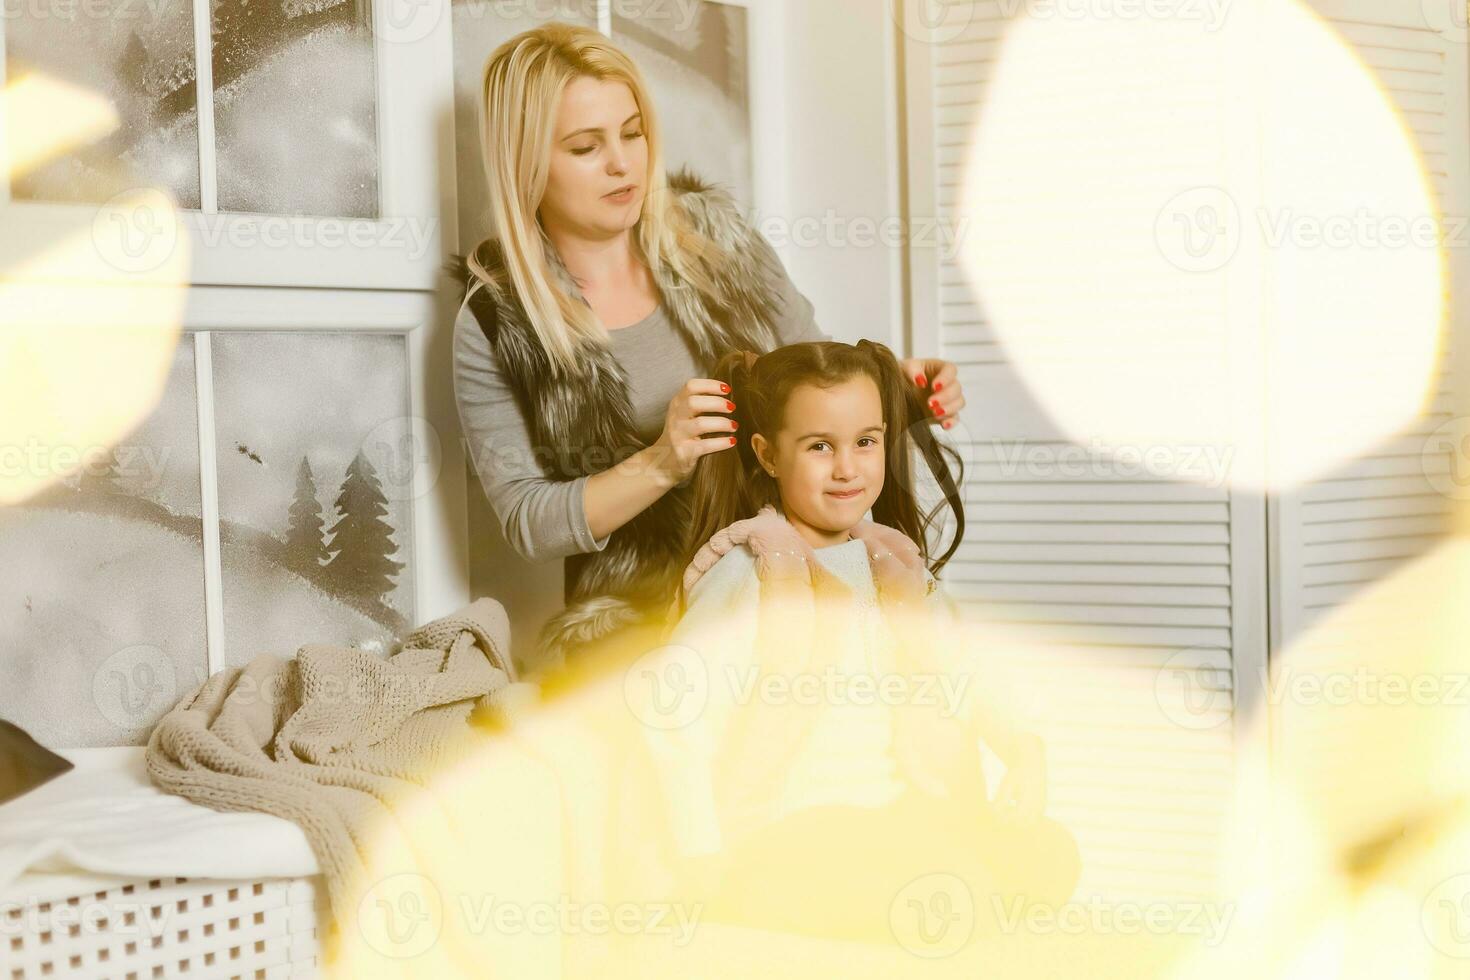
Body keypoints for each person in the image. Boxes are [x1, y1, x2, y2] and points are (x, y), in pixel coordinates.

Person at [448, 23, 968, 668]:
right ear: (527, 161)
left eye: (632, 133)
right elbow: (529, 521)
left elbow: (819, 380)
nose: (622, 163)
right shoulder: (500, 321)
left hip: (795, 575)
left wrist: (902, 388)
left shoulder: (720, 239)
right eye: (586, 147)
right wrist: (663, 461)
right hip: (646, 617)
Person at [633, 339, 1080, 946]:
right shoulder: (752, 568)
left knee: (1048, 856)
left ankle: (945, 884)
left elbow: (963, 666)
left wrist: (1023, 748)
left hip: (895, 818)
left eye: (866, 442)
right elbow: (675, 714)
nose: (848, 468)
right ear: (766, 455)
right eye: (820, 447)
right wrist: (700, 854)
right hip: (788, 834)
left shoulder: (890, 561)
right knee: (948, 889)